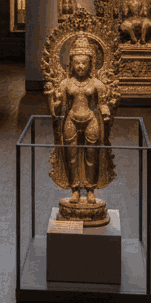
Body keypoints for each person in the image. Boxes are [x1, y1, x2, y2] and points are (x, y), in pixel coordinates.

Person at [45, 35, 115, 201]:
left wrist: (106, 112)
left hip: (90, 119)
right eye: (77, 63)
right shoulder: (66, 83)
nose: (81, 66)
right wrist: (52, 102)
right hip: (71, 120)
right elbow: (59, 106)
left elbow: (102, 103)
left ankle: (90, 188)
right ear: (71, 63)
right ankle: (75, 188)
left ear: (91, 64)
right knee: (72, 156)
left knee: (92, 155)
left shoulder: (97, 84)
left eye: (84, 63)